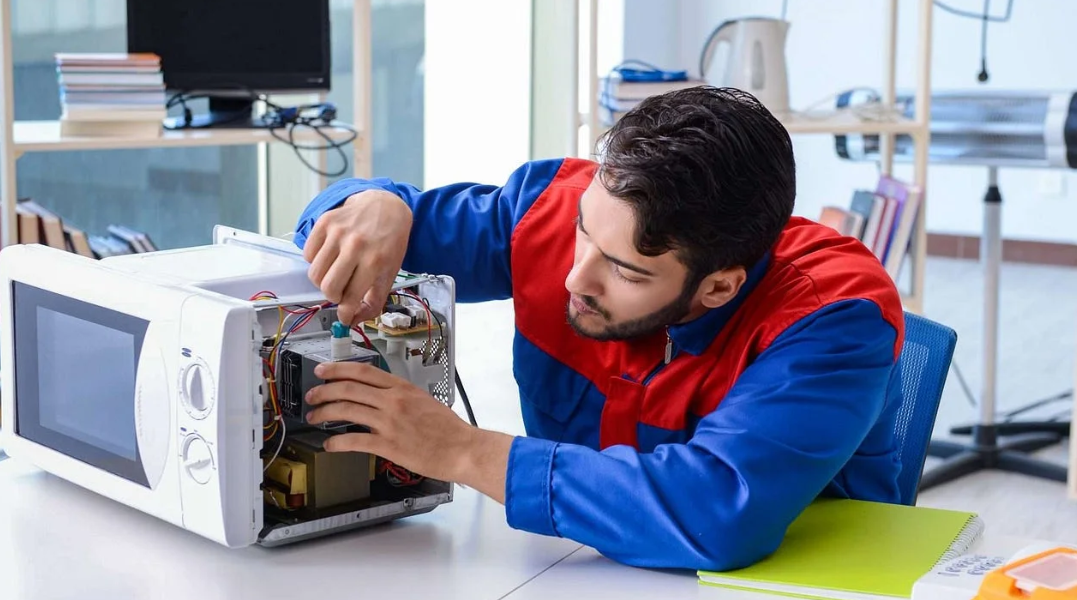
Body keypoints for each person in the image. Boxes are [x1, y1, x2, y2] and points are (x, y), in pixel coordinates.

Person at [293, 86, 905, 571]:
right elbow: (348, 240)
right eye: (586, 231)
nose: (574, 279)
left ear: (719, 286)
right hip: (577, 567)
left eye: (625, 271)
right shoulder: (553, 210)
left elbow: (719, 513)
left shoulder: (836, 316)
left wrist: (460, 451)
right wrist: (373, 204)